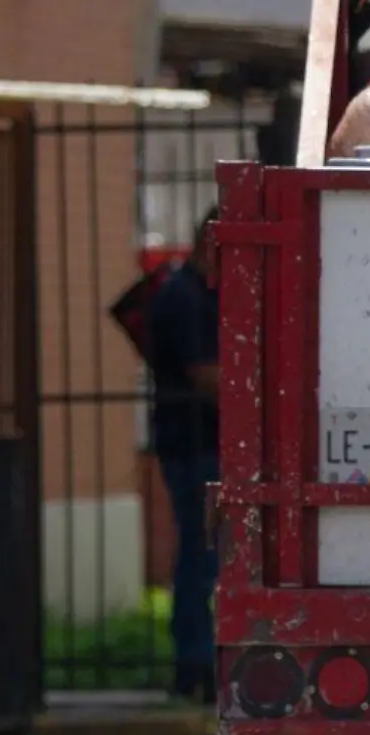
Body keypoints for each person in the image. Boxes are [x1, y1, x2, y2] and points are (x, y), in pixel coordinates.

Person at [147, 208, 223, 702]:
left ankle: (199, 663)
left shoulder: (198, 292)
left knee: (206, 555)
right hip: (192, 444)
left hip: (202, 443)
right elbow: (203, 374)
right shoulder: (184, 295)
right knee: (200, 554)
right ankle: (193, 665)